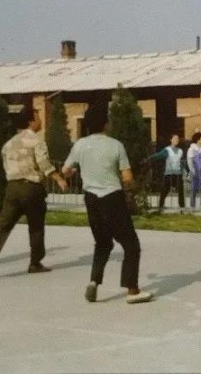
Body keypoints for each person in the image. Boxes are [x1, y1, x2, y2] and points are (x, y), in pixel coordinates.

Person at [62, 102, 153, 304]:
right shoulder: (115, 145)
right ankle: (132, 289)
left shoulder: (80, 145)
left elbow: (66, 171)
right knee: (130, 244)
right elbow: (127, 177)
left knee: (103, 243)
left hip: (91, 198)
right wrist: (134, 188)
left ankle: (94, 281)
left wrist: (77, 170)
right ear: (106, 123)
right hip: (112, 197)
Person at [0, 108, 68, 280]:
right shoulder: (36, 141)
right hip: (32, 188)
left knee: (3, 226)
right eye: (38, 117)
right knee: (36, 226)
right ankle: (35, 263)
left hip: (12, 188)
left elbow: (6, 167)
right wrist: (58, 178)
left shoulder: (8, 144)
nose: (41, 120)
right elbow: (43, 162)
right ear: (31, 122)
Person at [146, 134, 185, 212]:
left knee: (180, 190)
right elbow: (158, 155)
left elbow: (182, 162)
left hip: (178, 173)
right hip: (169, 173)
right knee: (165, 190)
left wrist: (186, 171)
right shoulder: (167, 150)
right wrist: (149, 158)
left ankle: (182, 207)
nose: (176, 140)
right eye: (174, 138)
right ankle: (161, 206)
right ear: (171, 140)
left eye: (177, 139)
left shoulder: (180, 151)